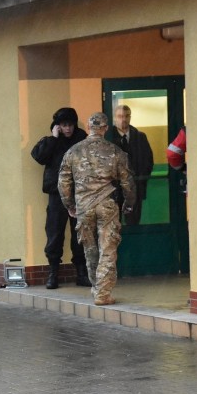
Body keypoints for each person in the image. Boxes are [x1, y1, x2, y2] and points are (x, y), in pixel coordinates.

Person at [58, 113, 135, 306]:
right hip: (107, 204)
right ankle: (103, 292)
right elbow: (128, 182)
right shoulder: (115, 151)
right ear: (105, 128)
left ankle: (96, 288)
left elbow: (63, 182)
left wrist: (70, 205)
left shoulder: (73, 151)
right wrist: (129, 203)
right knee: (108, 248)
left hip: (84, 207)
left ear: (90, 128)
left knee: (90, 249)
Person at [31, 107, 91, 289]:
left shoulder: (82, 139)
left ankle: (81, 273)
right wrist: (53, 138)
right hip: (57, 195)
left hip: (78, 193)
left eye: (70, 125)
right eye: (64, 125)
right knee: (55, 233)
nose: (68, 129)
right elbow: (39, 157)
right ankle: (53, 273)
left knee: (79, 234)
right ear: (58, 126)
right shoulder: (51, 141)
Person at [106, 104, 154, 225]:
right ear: (115, 118)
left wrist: (139, 182)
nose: (124, 119)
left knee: (134, 223)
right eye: (120, 116)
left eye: (127, 116)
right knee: (113, 225)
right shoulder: (107, 138)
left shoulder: (140, 137)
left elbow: (148, 162)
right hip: (113, 190)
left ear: (130, 117)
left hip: (135, 189)